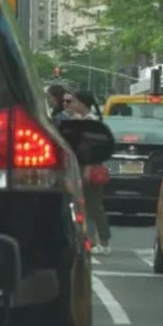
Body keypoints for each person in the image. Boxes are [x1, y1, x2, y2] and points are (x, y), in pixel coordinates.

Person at [55, 88, 111, 254]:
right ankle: (90, 238)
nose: (70, 105)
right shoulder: (76, 120)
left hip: (88, 168)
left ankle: (104, 240)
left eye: (73, 101)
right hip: (76, 168)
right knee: (81, 205)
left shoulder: (91, 122)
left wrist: (88, 168)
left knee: (94, 206)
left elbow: (91, 150)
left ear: (81, 103)